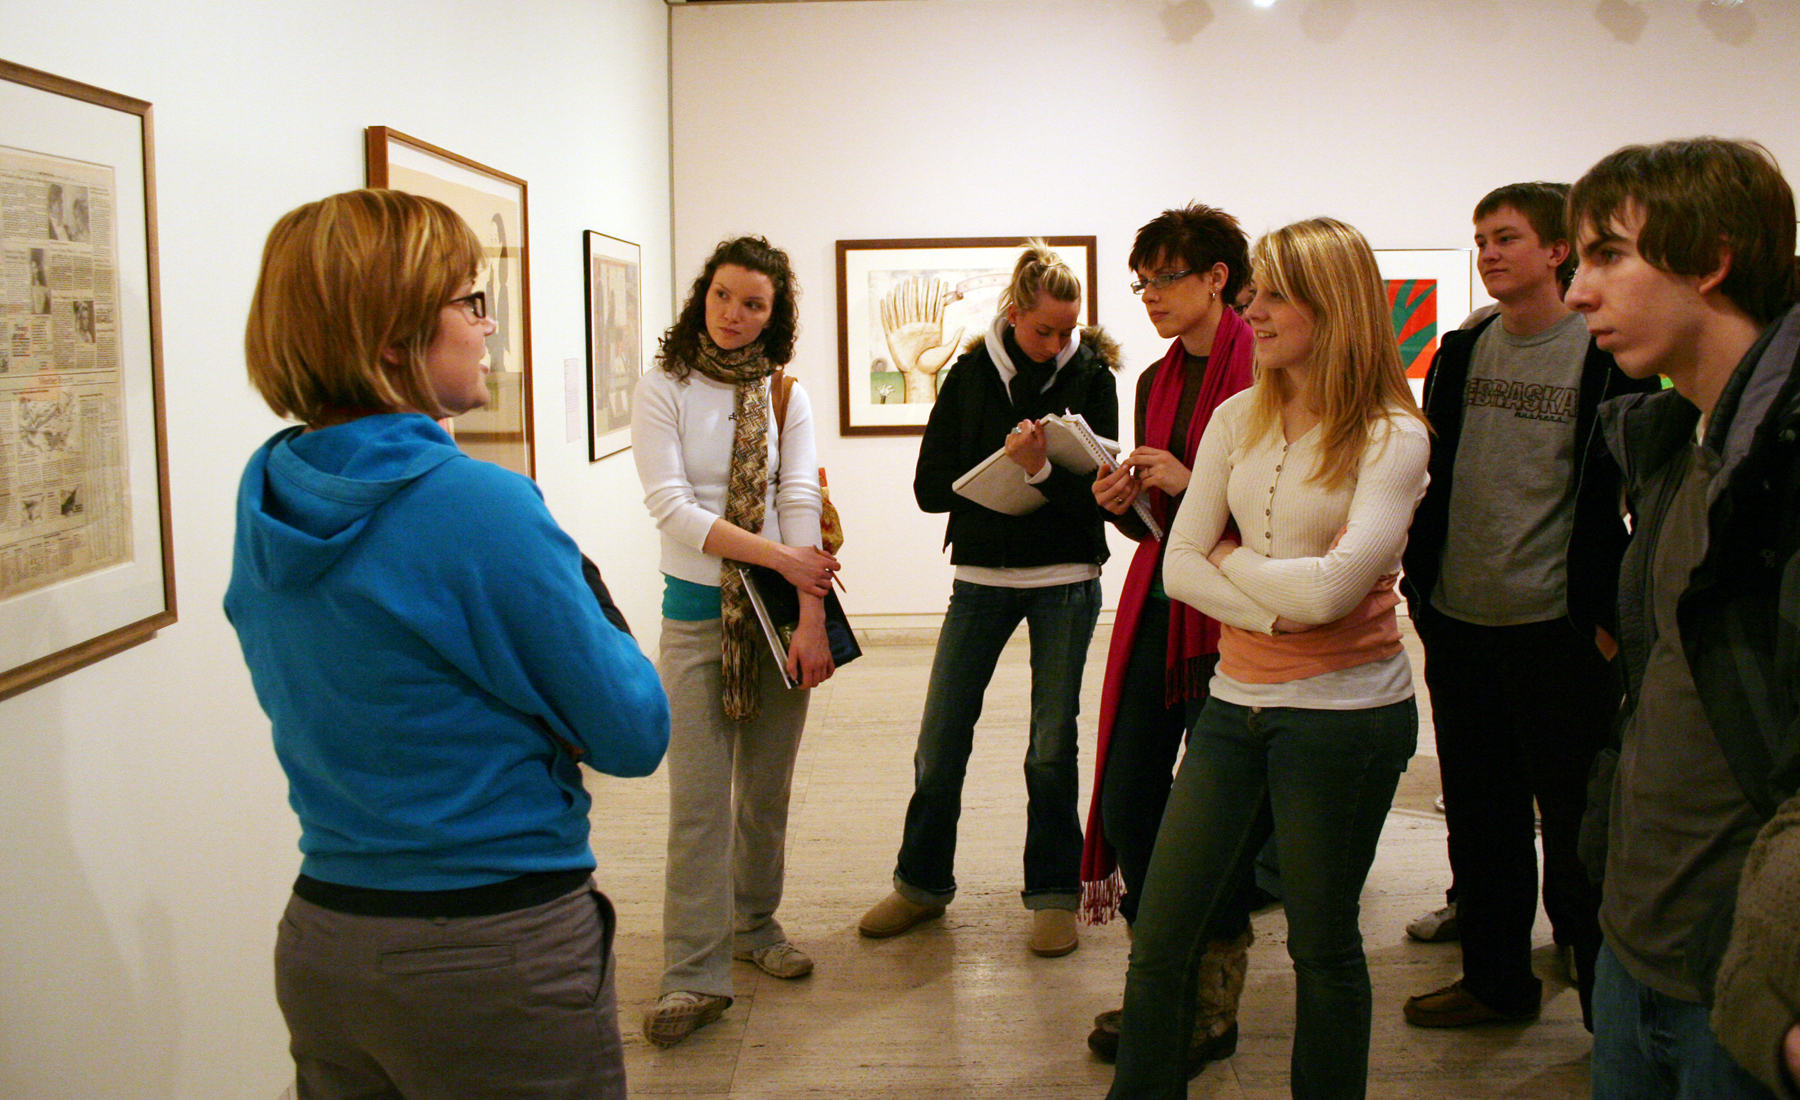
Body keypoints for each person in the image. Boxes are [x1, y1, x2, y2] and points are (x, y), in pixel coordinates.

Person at [225, 188, 670, 1100]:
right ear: (394, 337)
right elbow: (633, 733)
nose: (488, 324)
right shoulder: (477, 504)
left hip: (326, 941)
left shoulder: (269, 491)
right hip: (487, 950)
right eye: (470, 302)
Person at [1108, 217, 1430, 1100]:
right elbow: (1176, 567)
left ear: (1337, 305)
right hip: (1233, 703)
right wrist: (1270, 591)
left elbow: (1330, 594)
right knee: (1161, 934)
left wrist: (1230, 561)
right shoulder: (1234, 417)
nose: (1254, 310)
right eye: (1255, 293)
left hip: (1346, 718)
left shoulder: (1393, 435)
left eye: (1277, 294)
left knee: (1323, 946)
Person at [1566, 136, 1799, 1099]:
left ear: (1710, 260)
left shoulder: (1782, 472)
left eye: (1607, 255)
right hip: (1636, 943)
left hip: (1746, 973)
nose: (1577, 292)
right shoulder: (1674, 447)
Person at [1400, 182, 1654, 1030]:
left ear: (1557, 251)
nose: (1488, 253)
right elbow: (1435, 475)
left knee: (1580, 831)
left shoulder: (1605, 354)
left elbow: (1636, 488)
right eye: (1480, 239)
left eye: (1506, 237)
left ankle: (1606, 1018)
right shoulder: (1464, 350)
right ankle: (1496, 982)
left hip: (1558, 630)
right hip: (1460, 621)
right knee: (1481, 821)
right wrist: (1423, 591)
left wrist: (1607, 618)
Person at [859, 240, 1118, 957]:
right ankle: (920, 885)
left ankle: (1054, 896)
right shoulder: (969, 374)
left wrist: (1040, 475)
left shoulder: (1093, 377)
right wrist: (1005, 469)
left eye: (1067, 330)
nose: (1056, 344)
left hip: (1066, 578)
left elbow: (1101, 499)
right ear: (1013, 313)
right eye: (1044, 330)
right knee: (940, 741)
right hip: (980, 579)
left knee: (1050, 748)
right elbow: (928, 488)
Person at [632, 235, 839, 1049]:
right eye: (723, 295)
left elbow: (798, 499)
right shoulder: (664, 385)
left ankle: (755, 926)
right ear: (703, 295)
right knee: (697, 804)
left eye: (753, 303)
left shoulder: (785, 392)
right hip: (695, 618)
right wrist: (778, 557)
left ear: (773, 315)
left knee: (765, 791)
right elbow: (672, 507)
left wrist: (811, 617)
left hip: (777, 616)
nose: (733, 313)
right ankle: (691, 973)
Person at [1079, 204, 1258, 1070]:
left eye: (1166, 278)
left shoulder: (1262, 366)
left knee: (1213, 813)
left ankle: (1210, 999)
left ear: (1217, 278)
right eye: (1141, 281)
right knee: (1129, 796)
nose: (1149, 295)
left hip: (1237, 611)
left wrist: (1192, 483)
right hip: (1163, 598)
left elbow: (1283, 507)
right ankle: (1161, 974)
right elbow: (1158, 525)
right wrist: (1124, 502)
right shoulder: (1155, 379)